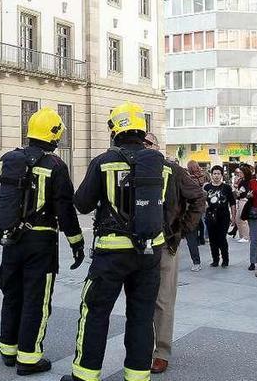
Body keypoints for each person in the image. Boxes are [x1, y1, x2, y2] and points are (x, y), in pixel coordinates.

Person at [62, 102, 172, 381]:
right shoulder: (162, 166)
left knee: (95, 311)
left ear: (115, 131)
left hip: (111, 252)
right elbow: (169, 208)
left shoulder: (103, 162)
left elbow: (82, 204)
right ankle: (137, 375)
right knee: (141, 314)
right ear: (142, 130)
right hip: (149, 252)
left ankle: (85, 375)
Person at [0, 107, 84, 375]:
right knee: (36, 299)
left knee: (12, 294)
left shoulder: (7, 160)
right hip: (41, 243)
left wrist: (8, 227)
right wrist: (76, 243)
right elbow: (65, 209)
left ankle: (8, 350)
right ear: (53, 135)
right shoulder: (55, 166)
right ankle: (29, 358)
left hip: (11, 241)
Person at [145, 133, 205, 374]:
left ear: (158, 147)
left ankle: (161, 352)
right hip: (137, 247)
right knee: (140, 299)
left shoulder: (174, 171)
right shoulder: (132, 168)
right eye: (141, 143)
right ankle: (141, 347)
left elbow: (198, 198)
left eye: (149, 143)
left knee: (163, 300)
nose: (144, 146)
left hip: (165, 245)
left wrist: (181, 230)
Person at [204, 166, 235, 268]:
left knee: (222, 238)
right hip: (210, 216)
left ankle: (225, 260)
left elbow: (232, 203)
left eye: (218, 174)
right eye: (214, 174)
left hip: (223, 216)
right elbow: (202, 201)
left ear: (222, 175)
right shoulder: (207, 187)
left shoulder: (227, 187)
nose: (216, 176)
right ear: (211, 175)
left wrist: (233, 216)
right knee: (212, 239)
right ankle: (215, 260)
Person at [187, 160, 208, 245]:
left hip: (194, 202)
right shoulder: (204, 175)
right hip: (203, 201)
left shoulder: (189, 178)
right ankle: (202, 238)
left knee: (195, 222)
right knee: (202, 220)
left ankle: (196, 239)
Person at [230, 165, 251, 243]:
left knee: (243, 219)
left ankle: (246, 236)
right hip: (239, 200)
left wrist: (238, 192)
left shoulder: (247, 181)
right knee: (237, 219)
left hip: (244, 200)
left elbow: (245, 192)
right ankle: (242, 235)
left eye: (241, 172)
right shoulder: (241, 180)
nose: (239, 174)